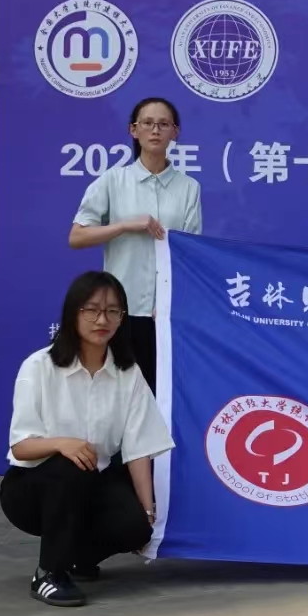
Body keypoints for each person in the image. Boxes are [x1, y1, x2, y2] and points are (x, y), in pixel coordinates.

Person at [0, 271, 175, 607]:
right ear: (72, 313)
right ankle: (49, 573)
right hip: (33, 488)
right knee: (71, 464)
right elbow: (21, 446)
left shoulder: (128, 373)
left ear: (122, 318)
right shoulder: (39, 367)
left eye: (112, 311)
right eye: (91, 310)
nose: (102, 320)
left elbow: (139, 449)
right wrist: (61, 443)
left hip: (94, 482)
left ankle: (78, 556)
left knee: (134, 528)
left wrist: (147, 512)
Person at [69, 97, 202, 394]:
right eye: (148, 123)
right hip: (118, 310)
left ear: (175, 132)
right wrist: (124, 225)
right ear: (133, 130)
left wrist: (170, 300)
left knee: (158, 396)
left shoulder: (189, 188)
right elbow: (77, 237)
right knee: (115, 393)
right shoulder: (112, 181)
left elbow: (190, 254)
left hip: (164, 314)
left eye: (163, 124)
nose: (155, 130)